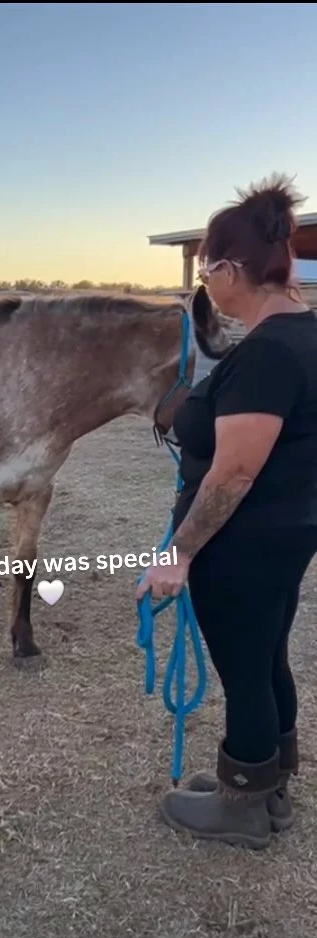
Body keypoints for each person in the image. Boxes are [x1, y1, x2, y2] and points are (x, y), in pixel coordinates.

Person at [136, 174, 317, 849]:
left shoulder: (268, 353)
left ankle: (243, 809)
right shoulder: (302, 335)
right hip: (287, 530)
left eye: (209, 268)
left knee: (245, 669)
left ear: (232, 268)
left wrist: (179, 552)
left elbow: (235, 471)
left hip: (244, 542)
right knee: (266, 659)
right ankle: (267, 786)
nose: (206, 283)